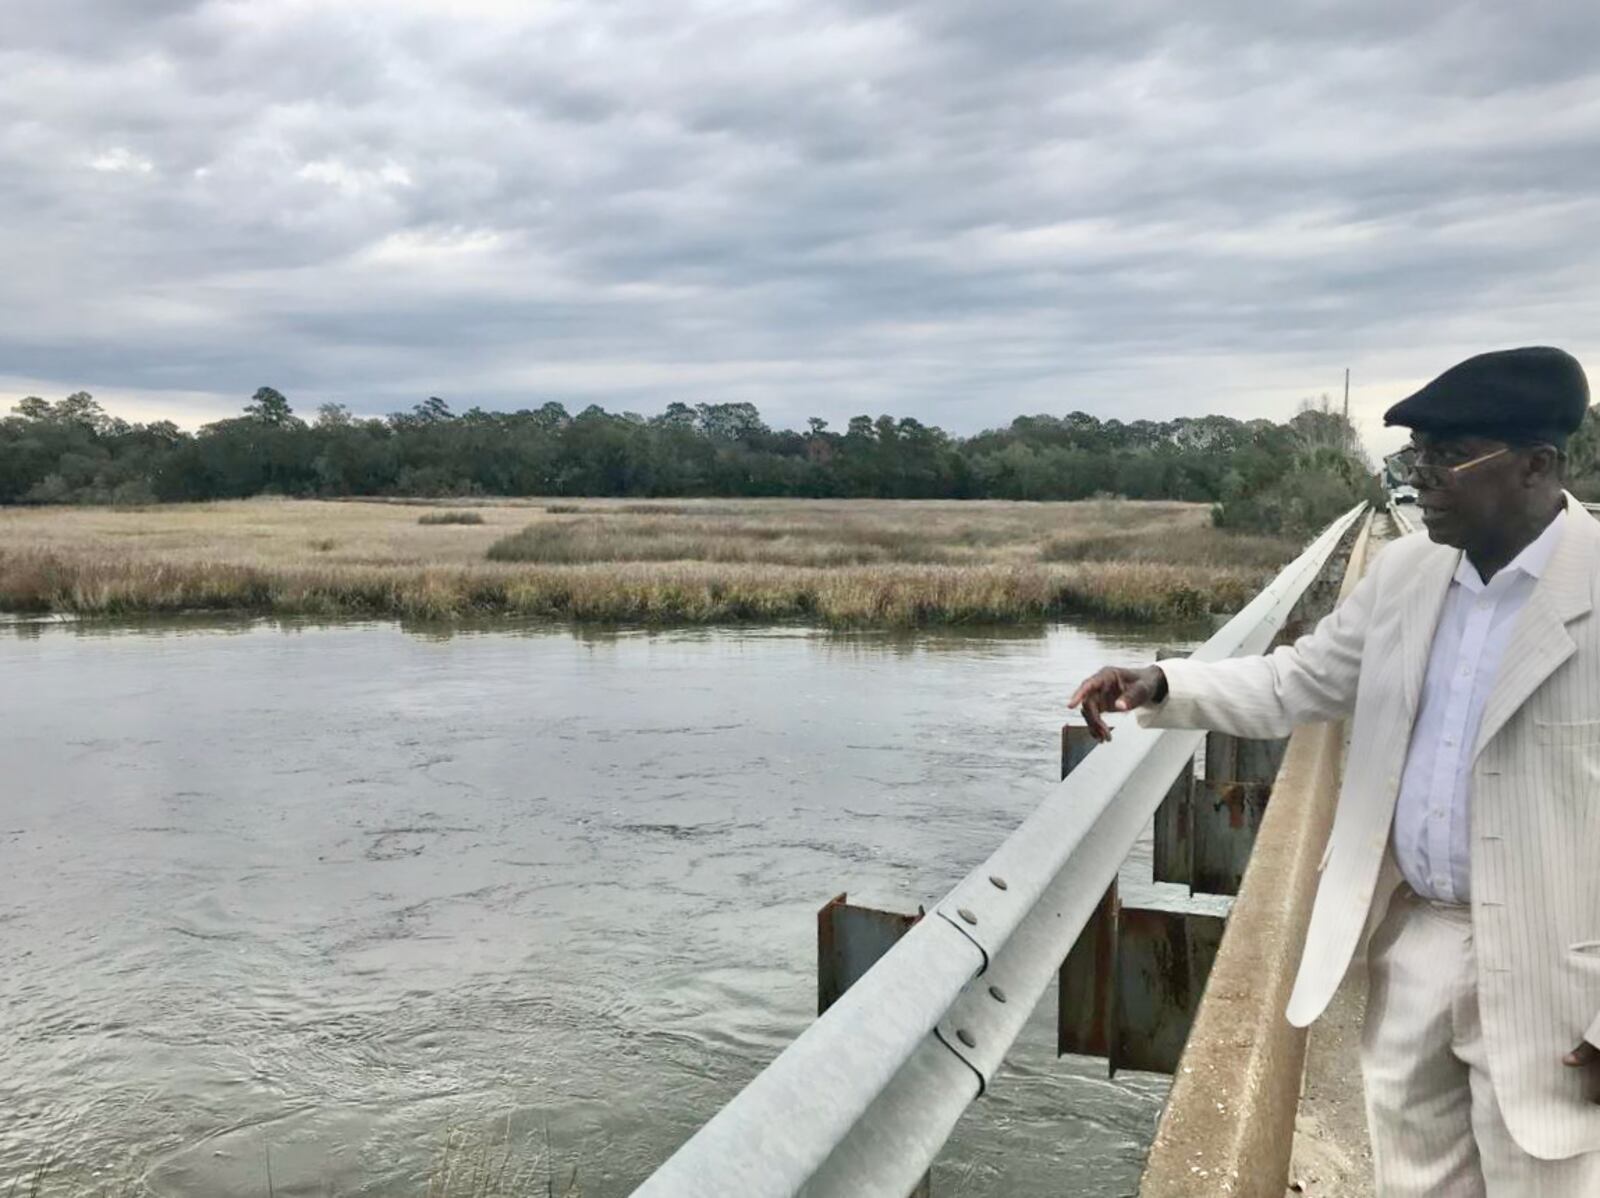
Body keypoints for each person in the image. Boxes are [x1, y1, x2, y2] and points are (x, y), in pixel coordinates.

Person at [1069, 346, 1600, 1196]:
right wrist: (1165, 682)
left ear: (1538, 465)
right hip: (1416, 937)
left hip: (1555, 971)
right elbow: (1298, 680)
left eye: (1448, 455)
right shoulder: (1407, 573)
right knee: (1415, 1180)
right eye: (1415, 455)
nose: (1422, 476)